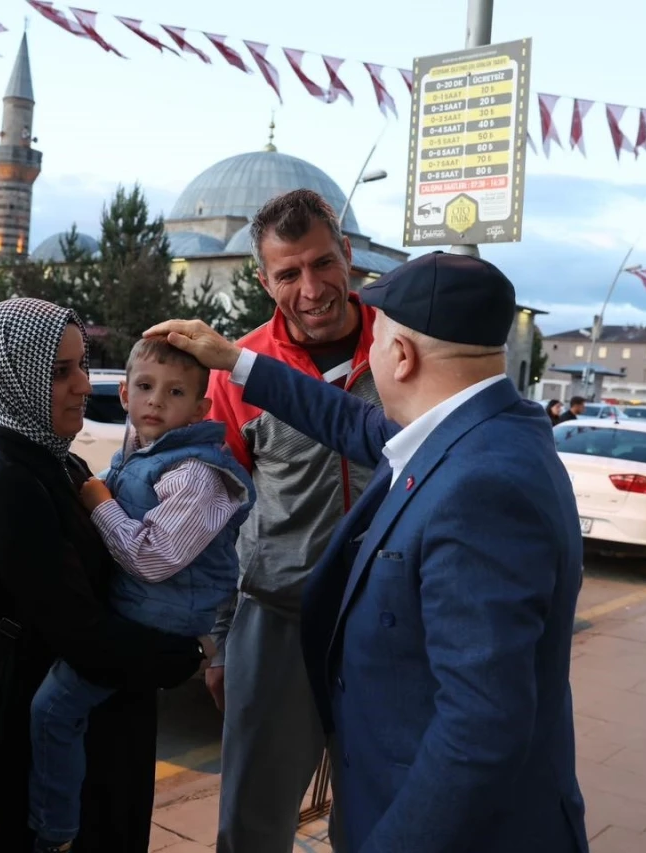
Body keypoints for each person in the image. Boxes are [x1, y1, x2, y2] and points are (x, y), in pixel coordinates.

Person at [149, 250, 589, 853]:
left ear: (401, 356)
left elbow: (480, 730)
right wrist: (235, 360)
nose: (370, 350)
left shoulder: (481, 487)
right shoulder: (479, 434)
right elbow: (346, 420)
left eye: (377, 337)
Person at [0, 299, 206, 853]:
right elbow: (78, 631)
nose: (85, 385)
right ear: (14, 379)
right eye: (60, 371)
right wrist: (181, 655)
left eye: (82, 365)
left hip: (94, 725)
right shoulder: (8, 482)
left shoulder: (53, 458)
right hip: (47, 750)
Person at [197, 189, 381, 853]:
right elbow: (215, 514)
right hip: (278, 619)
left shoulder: (403, 346)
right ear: (262, 280)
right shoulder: (237, 370)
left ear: (348, 254)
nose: (311, 288)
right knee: (254, 821)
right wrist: (219, 638)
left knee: (384, 817)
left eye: (323, 262)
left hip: (389, 622)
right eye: (288, 273)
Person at [26, 336, 255, 852]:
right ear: (126, 395)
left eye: (175, 392)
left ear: (200, 409)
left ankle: (52, 832)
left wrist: (98, 502)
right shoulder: (145, 454)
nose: (156, 401)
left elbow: (153, 557)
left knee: (53, 709)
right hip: (144, 608)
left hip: (161, 617)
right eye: (147, 387)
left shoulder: (197, 473)